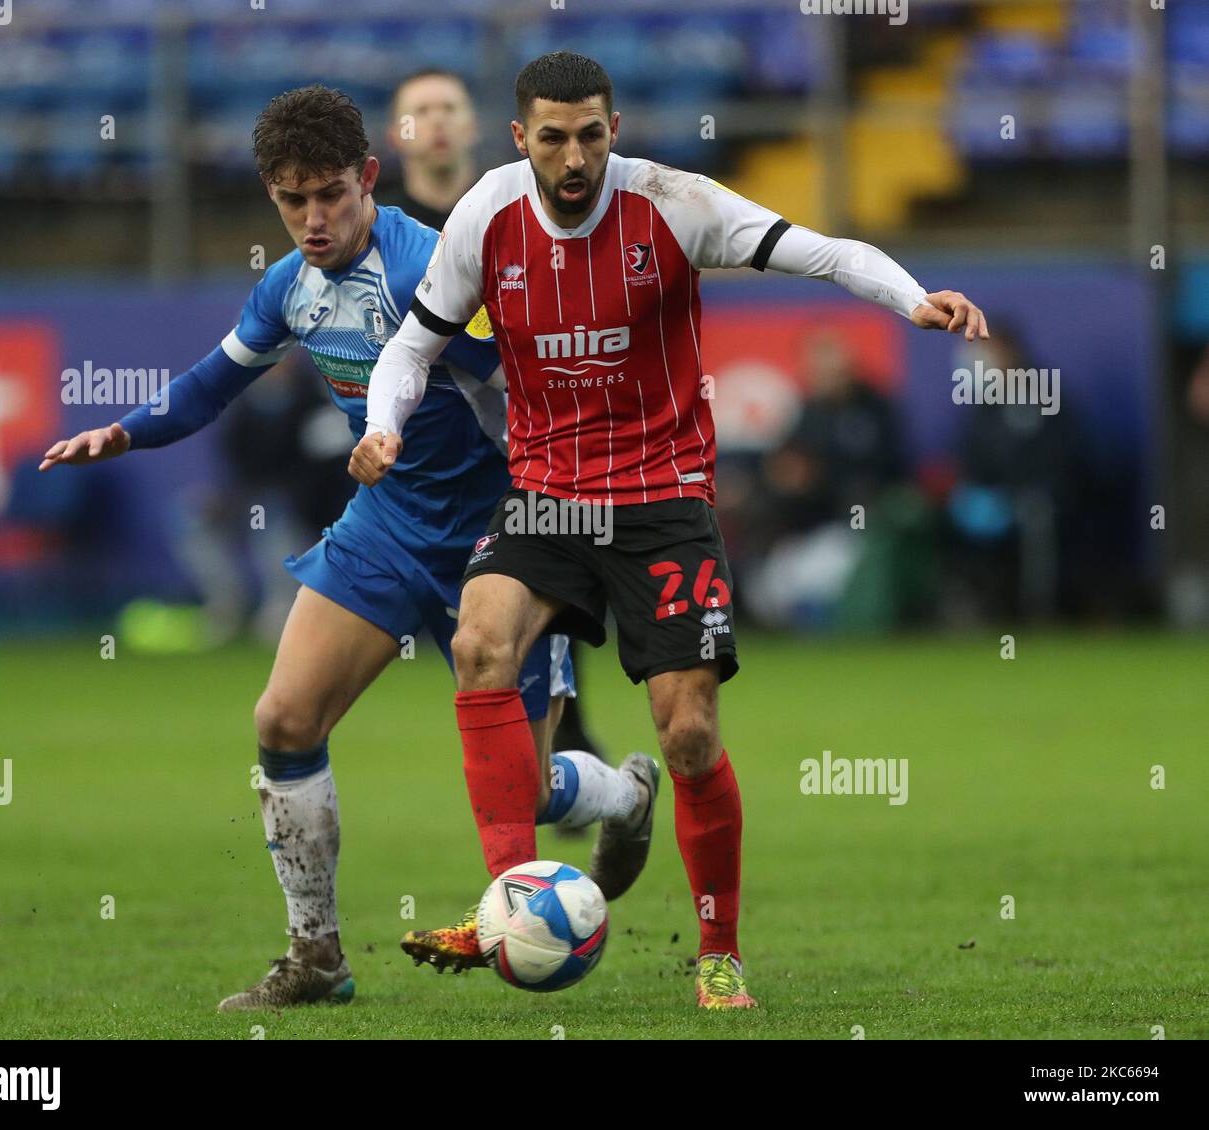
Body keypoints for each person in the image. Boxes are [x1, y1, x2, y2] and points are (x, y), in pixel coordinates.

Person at [354, 52, 989, 1009]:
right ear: (521, 138)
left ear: (616, 130)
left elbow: (824, 250)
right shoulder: (487, 215)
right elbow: (413, 345)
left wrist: (913, 299)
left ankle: (719, 951)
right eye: (555, 138)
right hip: (546, 492)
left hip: (662, 497)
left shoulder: (674, 204)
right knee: (479, 639)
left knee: (687, 734)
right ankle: (504, 909)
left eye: (593, 135)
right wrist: (381, 426)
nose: (576, 158)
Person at [39, 84, 649, 1011]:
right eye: (293, 202)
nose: (314, 220)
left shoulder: (430, 272)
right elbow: (211, 386)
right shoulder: (289, 287)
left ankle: (625, 797)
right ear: (272, 198)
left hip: (505, 537)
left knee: (521, 795)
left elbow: (535, 397)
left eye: (330, 194)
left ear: (368, 178)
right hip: (389, 526)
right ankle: (316, 955)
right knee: (283, 721)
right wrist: (119, 433)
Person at [386, 66, 608, 761]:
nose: (439, 119)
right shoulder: (384, 236)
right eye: (421, 109)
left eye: (450, 104)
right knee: (471, 638)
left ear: (476, 125)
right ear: (400, 134)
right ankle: (537, 764)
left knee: (546, 601)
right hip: (432, 463)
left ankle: (564, 735)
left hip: (526, 452)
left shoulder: (524, 208)